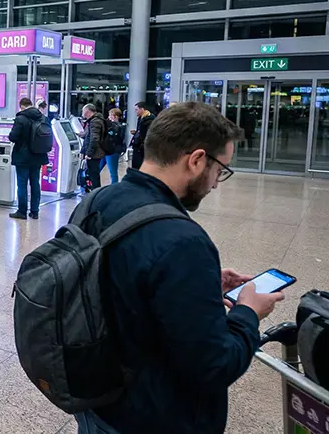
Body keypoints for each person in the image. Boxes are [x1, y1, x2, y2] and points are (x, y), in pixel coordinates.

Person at [73, 102, 282, 434]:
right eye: (220, 169)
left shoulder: (97, 201)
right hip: (154, 417)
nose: (216, 182)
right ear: (197, 160)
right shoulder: (184, 242)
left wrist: (197, 287)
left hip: (97, 404)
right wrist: (248, 314)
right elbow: (214, 366)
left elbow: (121, 289)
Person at [7, 97, 49, 220]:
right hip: (38, 155)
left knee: (22, 184)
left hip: (23, 156)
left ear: (21, 106)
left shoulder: (20, 118)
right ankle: (35, 211)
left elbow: (13, 137)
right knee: (35, 183)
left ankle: (22, 211)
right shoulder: (43, 117)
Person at [81, 103, 107, 190]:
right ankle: (94, 191)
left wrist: (89, 153)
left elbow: (94, 139)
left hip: (94, 153)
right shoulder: (96, 120)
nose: (82, 113)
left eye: (83, 111)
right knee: (93, 174)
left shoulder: (95, 121)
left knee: (94, 175)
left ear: (87, 111)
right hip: (95, 152)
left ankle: (95, 192)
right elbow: (90, 136)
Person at [130, 101, 156, 170]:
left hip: (142, 147)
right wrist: (136, 133)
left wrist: (142, 143)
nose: (136, 112)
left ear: (142, 109)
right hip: (138, 145)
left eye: (136, 109)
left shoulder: (149, 119)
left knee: (139, 166)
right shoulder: (141, 118)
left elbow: (149, 133)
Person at [101, 108, 123, 185]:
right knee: (98, 169)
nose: (109, 117)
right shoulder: (112, 125)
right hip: (106, 150)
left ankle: (114, 187)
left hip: (112, 151)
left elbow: (115, 138)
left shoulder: (118, 126)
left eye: (111, 115)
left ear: (115, 116)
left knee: (113, 172)